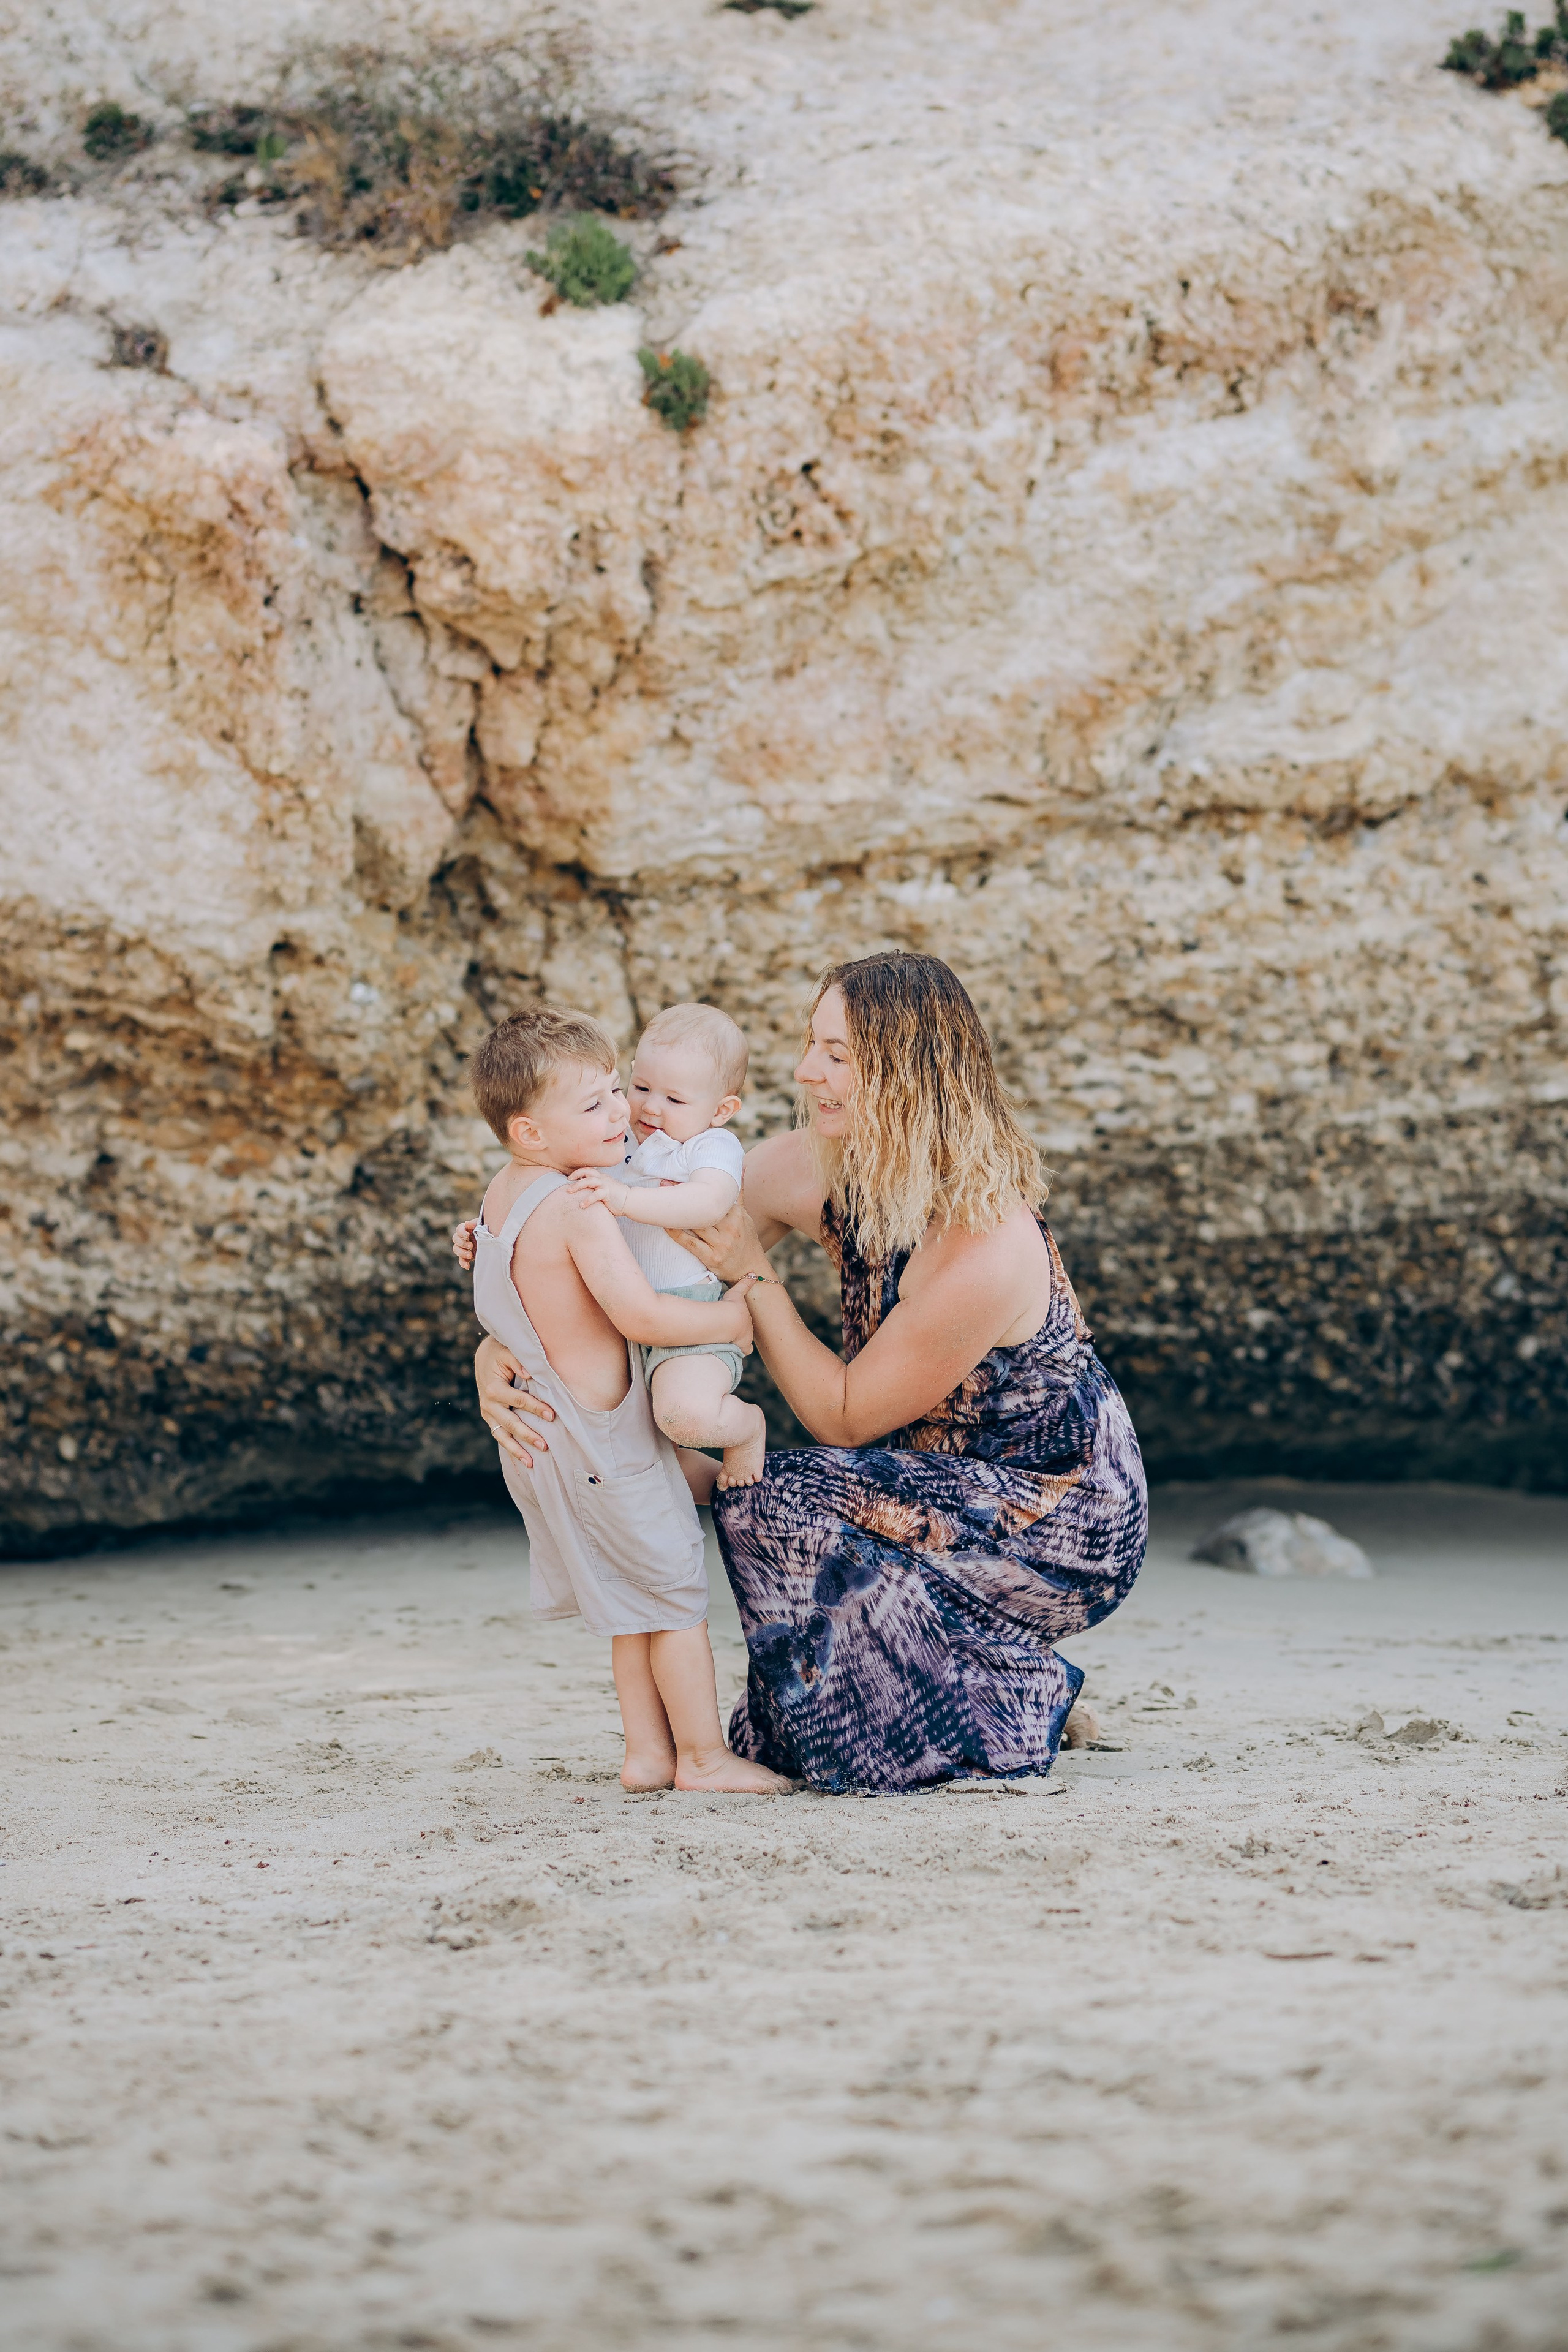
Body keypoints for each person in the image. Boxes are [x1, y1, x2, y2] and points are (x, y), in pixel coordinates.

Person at [466, 954, 1148, 1795]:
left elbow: (845, 1417)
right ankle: (963, 1673)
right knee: (699, 1464)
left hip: (1057, 1511)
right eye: (808, 1042)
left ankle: (1007, 1685)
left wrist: (754, 1275)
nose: (803, 1070)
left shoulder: (984, 1237)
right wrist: (500, 1351)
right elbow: (621, 1257)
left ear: (905, 1073)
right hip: (921, 1485)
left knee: (767, 1492)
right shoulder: (815, 1164)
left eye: (837, 1053)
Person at [466, 1004, 790, 1796]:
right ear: (530, 1133)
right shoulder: (582, 1206)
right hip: (606, 1445)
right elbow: (638, 1316)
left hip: (551, 1445)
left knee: (629, 1605)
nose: (625, 1113)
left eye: (620, 1091)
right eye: (598, 1103)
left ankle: (647, 1755)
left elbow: (504, 1299)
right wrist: (732, 1317)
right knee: (675, 1598)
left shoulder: (500, 1197)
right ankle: (704, 1759)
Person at [566, 1003, 767, 1491]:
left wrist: (628, 1199)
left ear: (720, 1110)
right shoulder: (618, 1137)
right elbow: (555, 1190)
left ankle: (747, 1429)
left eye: (675, 1099)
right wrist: (489, 1229)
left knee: (684, 1416)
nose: (650, 1108)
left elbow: (709, 1202)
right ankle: (715, 1506)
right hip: (618, 1317)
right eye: (641, 1088)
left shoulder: (709, 1146)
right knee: (632, 1453)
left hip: (690, 1317)